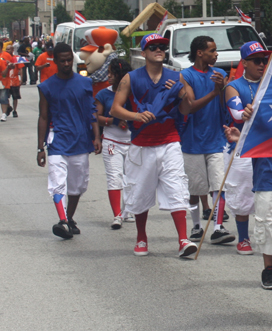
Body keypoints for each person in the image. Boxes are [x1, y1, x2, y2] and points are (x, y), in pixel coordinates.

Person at [110, 33, 198, 258]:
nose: (159, 50)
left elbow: (187, 109)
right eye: (153, 47)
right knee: (140, 192)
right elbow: (115, 109)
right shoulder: (131, 78)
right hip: (141, 144)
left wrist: (182, 95)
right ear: (144, 53)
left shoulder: (177, 77)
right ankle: (141, 237)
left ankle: (183, 240)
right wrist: (136, 116)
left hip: (169, 141)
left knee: (177, 187)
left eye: (162, 46)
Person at [224, 78, 272, 291]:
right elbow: (247, 141)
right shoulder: (257, 118)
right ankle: (268, 269)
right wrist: (238, 138)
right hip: (267, 180)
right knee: (269, 227)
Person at [37, 43, 102, 239]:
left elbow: (92, 111)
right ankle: (63, 220)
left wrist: (97, 136)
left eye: (69, 60)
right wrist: (40, 147)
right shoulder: (46, 87)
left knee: (77, 186)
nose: (66, 63)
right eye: (62, 60)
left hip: (81, 141)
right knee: (57, 183)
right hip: (58, 141)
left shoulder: (84, 84)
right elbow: (43, 117)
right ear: (55, 61)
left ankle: (69, 218)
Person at [179, 36, 235, 245]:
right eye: (212, 50)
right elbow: (191, 105)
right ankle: (195, 226)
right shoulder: (185, 75)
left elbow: (224, 104)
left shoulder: (219, 74)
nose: (216, 54)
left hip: (216, 139)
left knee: (218, 185)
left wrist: (222, 90)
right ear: (200, 53)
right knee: (195, 188)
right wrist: (215, 92)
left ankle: (218, 228)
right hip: (192, 141)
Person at [224, 41, 272, 255]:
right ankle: (243, 238)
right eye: (257, 61)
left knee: (270, 193)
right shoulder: (234, 86)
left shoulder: (271, 83)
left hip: (267, 145)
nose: (262, 64)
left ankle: (271, 235)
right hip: (242, 146)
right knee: (242, 193)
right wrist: (244, 113)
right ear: (245, 63)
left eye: (265, 60)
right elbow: (236, 114)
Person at [95, 58, 133, 230]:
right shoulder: (103, 94)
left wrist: (129, 121)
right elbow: (96, 117)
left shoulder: (134, 93)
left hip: (133, 142)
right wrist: (113, 121)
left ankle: (129, 210)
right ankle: (117, 215)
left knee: (131, 178)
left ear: (121, 76)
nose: (108, 76)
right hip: (112, 142)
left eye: (111, 73)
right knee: (114, 177)